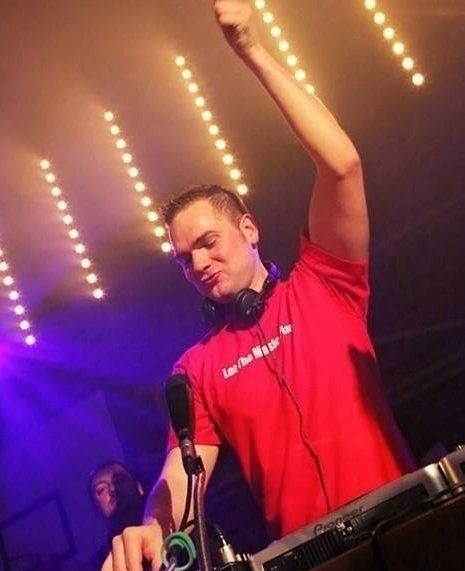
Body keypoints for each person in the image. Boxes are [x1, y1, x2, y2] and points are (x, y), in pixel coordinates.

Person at [102, 1, 415, 568]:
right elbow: (182, 478)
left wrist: (250, 47)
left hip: (408, 527)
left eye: (208, 242)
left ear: (248, 228)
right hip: (311, 560)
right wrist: (151, 527)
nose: (198, 263)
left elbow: (341, 164)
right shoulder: (197, 368)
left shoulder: (324, 282)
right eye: (184, 258)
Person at [89, 461, 146, 569]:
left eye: (120, 480)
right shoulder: (98, 564)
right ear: (97, 509)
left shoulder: (169, 525)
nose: (113, 489)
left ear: (139, 487)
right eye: (101, 490)